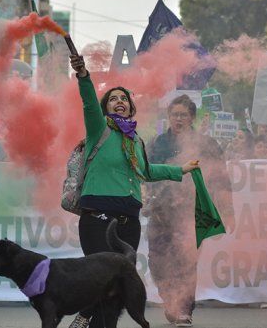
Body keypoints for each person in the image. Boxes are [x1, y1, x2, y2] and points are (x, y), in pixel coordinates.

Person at [68, 54, 200, 328]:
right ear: (106, 108)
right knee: (101, 279)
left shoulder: (135, 140)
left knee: (116, 288)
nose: (120, 101)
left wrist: (181, 169)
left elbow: (147, 171)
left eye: (124, 99)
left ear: (131, 108)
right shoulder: (99, 130)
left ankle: (91, 316)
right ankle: (87, 311)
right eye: (114, 98)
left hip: (128, 225)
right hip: (98, 220)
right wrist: (83, 76)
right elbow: (89, 102)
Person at [144, 95, 235, 327]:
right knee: (157, 263)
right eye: (175, 114)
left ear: (192, 117)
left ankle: (184, 309)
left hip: (190, 212)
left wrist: (227, 210)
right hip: (160, 213)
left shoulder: (207, 145)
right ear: (169, 117)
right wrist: (144, 199)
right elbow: (145, 174)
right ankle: (169, 301)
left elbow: (221, 179)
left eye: (184, 115)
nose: (179, 119)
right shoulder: (156, 144)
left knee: (186, 261)